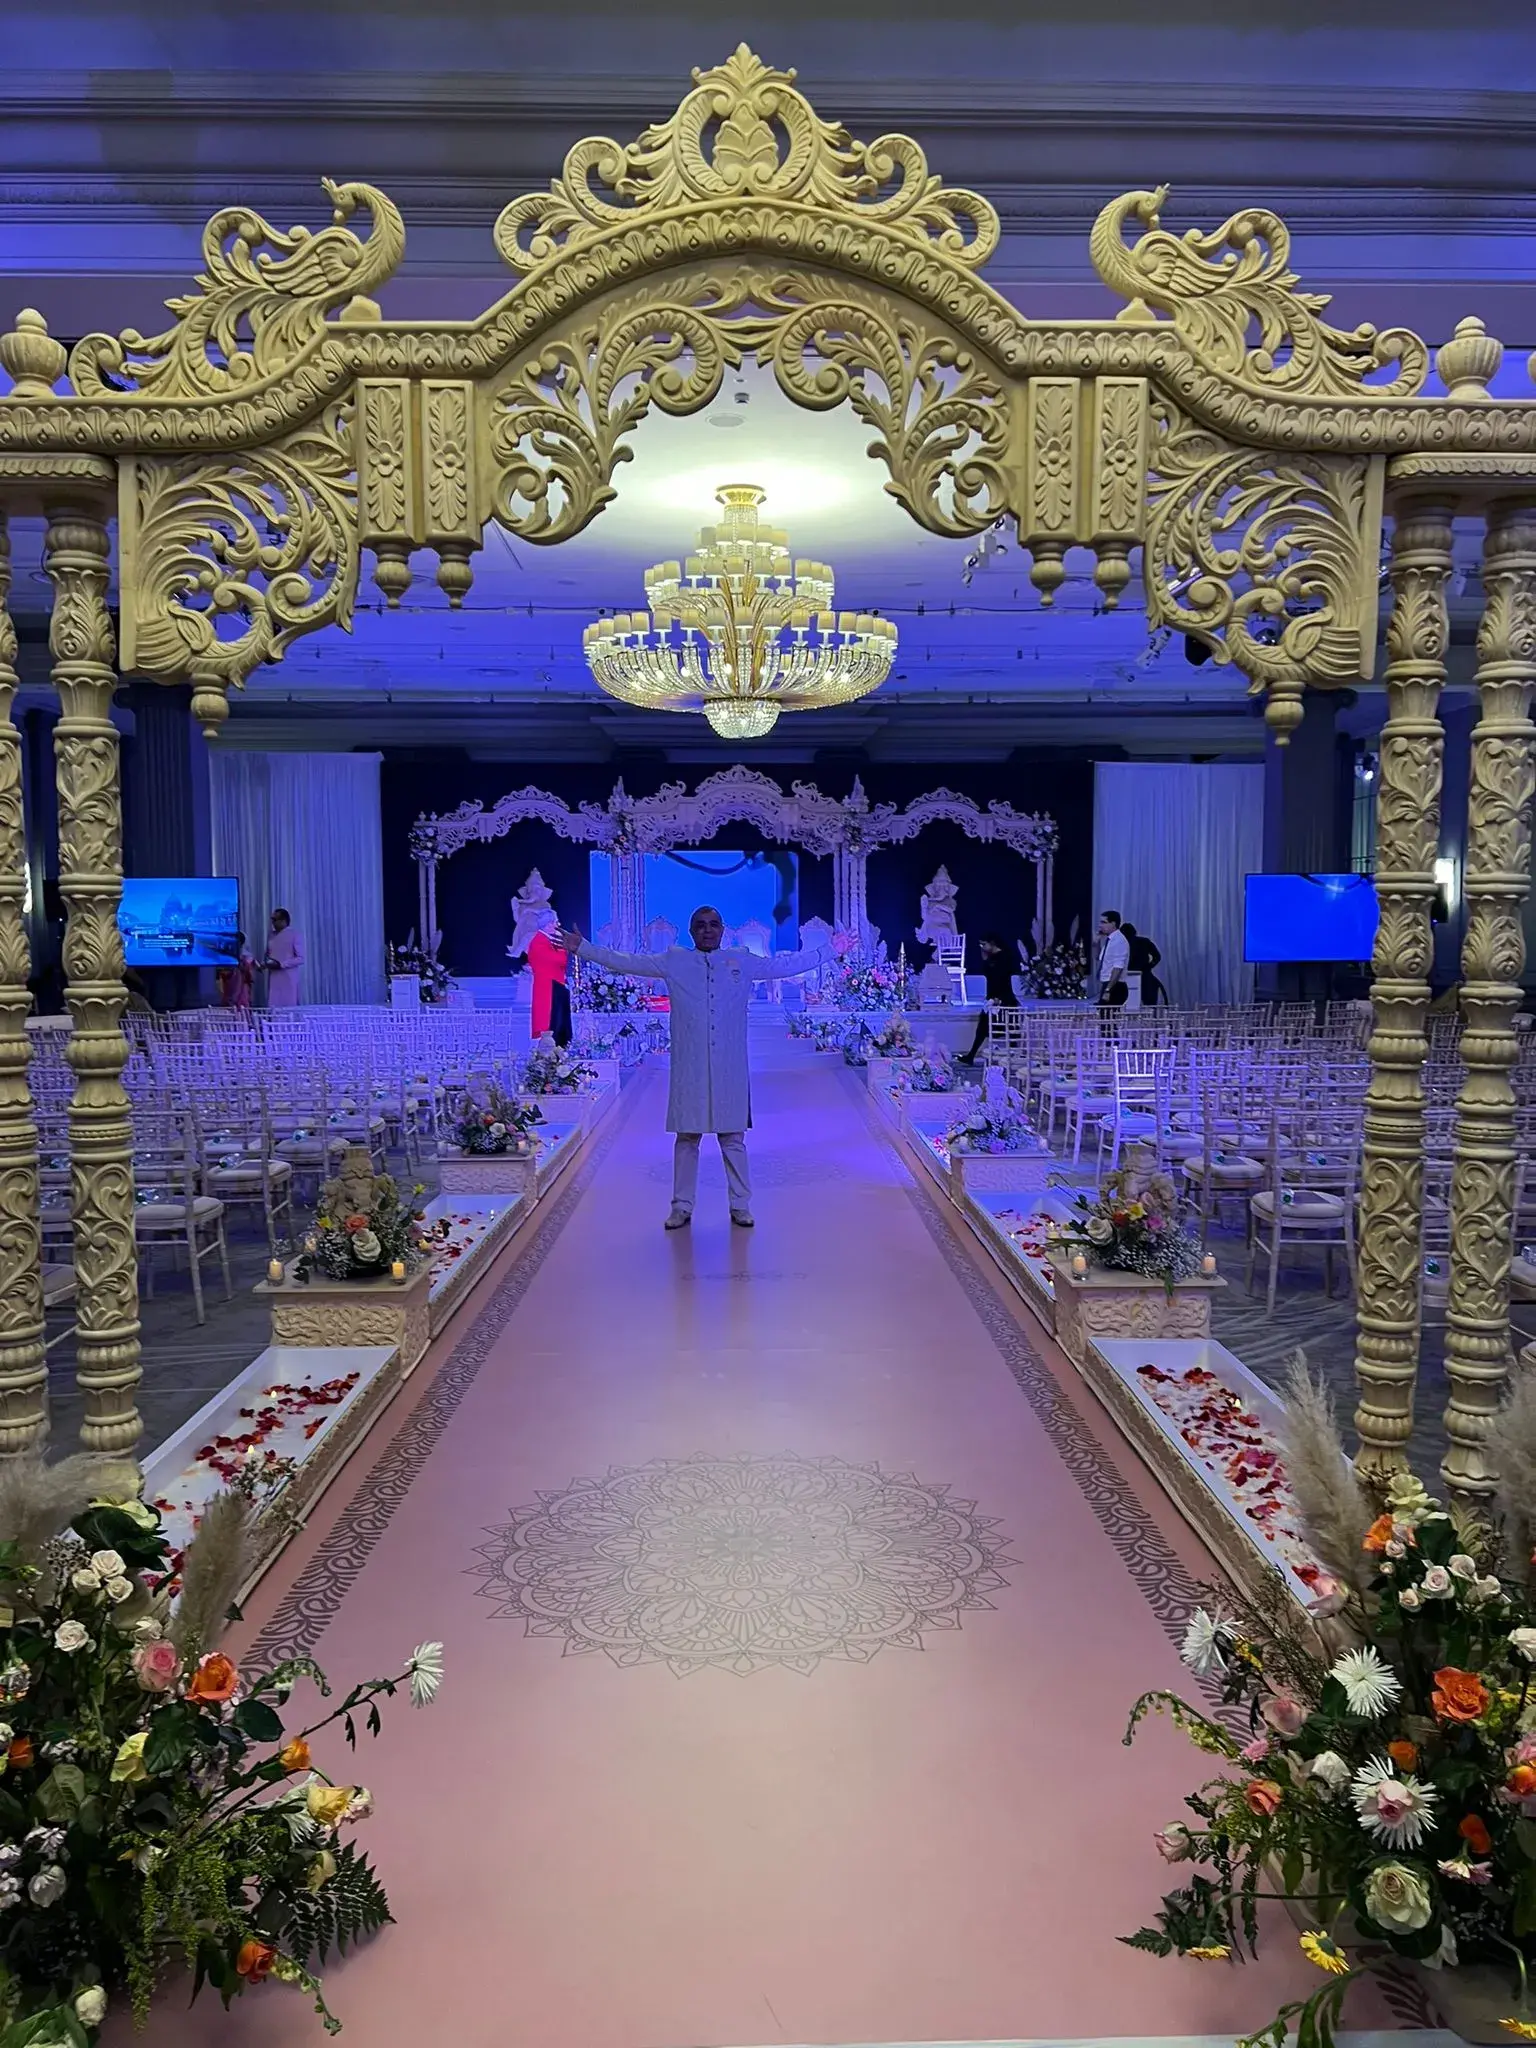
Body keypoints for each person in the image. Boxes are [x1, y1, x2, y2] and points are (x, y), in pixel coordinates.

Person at [556, 905, 826, 1229]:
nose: (707, 930)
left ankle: (740, 1205)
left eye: (713, 924)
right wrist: (583, 948)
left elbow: (787, 965)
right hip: (690, 1066)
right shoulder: (675, 961)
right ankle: (681, 1207)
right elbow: (627, 961)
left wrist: (830, 951)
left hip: (729, 1066)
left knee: (733, 1138)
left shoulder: (742, 960)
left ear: (722, 930)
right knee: (687, 1138)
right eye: (700, 925)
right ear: (691, 931)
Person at [956, 932, 1021, 1064]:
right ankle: (971, 1055)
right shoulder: (990, 958)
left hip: (1003, 997)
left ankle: (1014, 1057)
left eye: (984, 944)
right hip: (992, 997)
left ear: (992, 943)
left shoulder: (1005, 957)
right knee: (982, 1028)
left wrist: (999, 999)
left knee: (1011, 1028)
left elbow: (1001, 978)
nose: (982, 947)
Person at [526, 909, 572, 1046]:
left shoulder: (546, 940)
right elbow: (559, 960)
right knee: (553, 1025)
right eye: (555, 922)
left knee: (559, 1025)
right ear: (548, 924)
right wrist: (562, 947)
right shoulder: (539, 941)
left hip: (555, 985)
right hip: (549, 987)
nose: (557, 925)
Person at [1096, 908, 1136, 1012]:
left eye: (1104, 922)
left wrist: (1108, 990)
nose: (1100, 925)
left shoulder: (1119, 941)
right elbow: (1099, 958)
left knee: (1107, 1017)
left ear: (1113, 924)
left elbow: (1118, 968)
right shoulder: (1110, 940)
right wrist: (1096, 943)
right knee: (1105, 1017)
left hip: (1115, 986)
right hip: (1108, 984)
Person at [264, 908, 304, 1008]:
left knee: (288, 1006)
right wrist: (265, 964)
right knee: (273, 1005)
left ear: (283, 921)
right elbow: (269, 954)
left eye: (275, 920)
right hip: (274, 976)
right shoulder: (271, 935)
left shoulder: (294, 934)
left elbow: (300, 958)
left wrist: (282, 964)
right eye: (272, 920)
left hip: (288, 977)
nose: (272, 923)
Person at [1121, 921, 1166, 1008]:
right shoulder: (1144, 941)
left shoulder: (1121, 944)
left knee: (1128, 1005)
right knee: (1150, 1006)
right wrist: (1148, 966)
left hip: (1126, 976)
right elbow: (1157, 956)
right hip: (1145, 975)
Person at [217, 931, 256, 1010]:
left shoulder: (246, 957)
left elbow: (249, 973)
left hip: (242, 988)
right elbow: (221, 973)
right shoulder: (226, 956)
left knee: (242, 1008)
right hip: (229, 987)